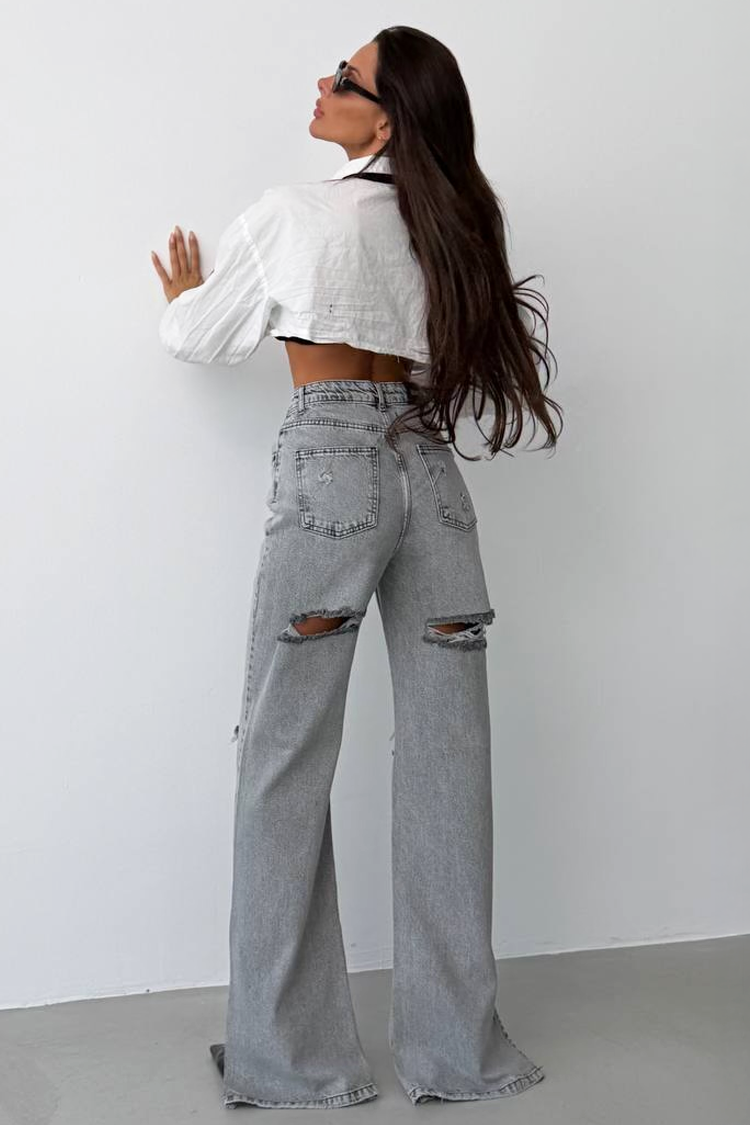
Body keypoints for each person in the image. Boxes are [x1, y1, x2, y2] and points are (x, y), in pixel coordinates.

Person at [151, 25, 561, 1111]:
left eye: (345, 79)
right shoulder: (451, 227)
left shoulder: (293, 213)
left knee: (283, 754)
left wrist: (185, 295)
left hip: (331, 468)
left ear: (385, 119)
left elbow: (202, 340)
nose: (323, 85)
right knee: (449, 760)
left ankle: (294, 1061)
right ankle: (458, 1054)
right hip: (431, 478)